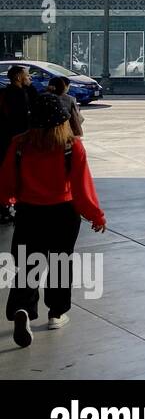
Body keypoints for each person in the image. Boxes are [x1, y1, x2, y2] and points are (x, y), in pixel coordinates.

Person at [0, 94, 106, 347]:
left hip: (29, 212)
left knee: (27, 263)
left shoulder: (20, 144)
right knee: (60, 262)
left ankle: (22, 309)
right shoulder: (71, 146)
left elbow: (6, 180)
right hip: (63, 213)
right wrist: (95, 215)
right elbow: (82, 187)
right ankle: (56, 313)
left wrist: (8, 199)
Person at [0, 65, 36, 224]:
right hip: (15, 140)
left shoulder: (11, 92)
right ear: (18, 77)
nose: (30, 78)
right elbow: (22, 117)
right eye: (27, 75)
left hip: (10, 139)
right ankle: (9, 207)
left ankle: (6, 208)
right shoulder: (17, 95)